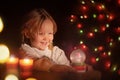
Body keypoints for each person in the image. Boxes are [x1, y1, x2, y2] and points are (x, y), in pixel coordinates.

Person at [19, 8, 75, 72]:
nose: (46, 38)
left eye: (50, 33)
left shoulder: (57, 53)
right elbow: (37, 63)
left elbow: (69, 72)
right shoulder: (25, 51)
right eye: (41, 33)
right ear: (27, 34)